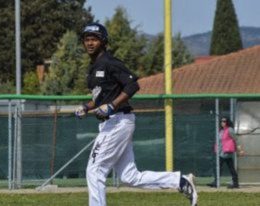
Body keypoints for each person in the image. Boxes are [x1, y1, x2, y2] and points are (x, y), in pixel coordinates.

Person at [75, 22, 198, 206]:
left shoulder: (110, 62)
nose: (90, 43)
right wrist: (86, 107)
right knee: (130, 177)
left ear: (103, 42)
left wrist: (112, 106)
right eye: (87, 39)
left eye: (94, 39)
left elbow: (133, 85)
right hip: (115, 122)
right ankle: (179, 181)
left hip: (118, 121)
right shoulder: (93, 67)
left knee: (95, 170)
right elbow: (101, 97)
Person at [207, 117, 240, 189]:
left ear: (227, 122)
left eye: (224, 121)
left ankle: (218, 182)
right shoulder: (221, 130)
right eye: (221, 121)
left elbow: (235, 139)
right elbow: (219, 141)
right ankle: (218, 182)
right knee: (225, 168)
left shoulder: (230, 129)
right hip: (220, 152)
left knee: (224, 168)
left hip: (226, 152)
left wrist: (239, 149)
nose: (222, 122)